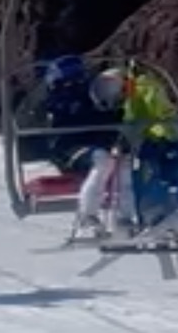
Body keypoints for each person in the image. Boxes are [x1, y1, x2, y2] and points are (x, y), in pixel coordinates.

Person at [101, 64, 178, 239]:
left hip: (169, 139)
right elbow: (131, 120)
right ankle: (151, 213)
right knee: (143, 170)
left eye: (111, 88)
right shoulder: (132, 98)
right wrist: (123, 140)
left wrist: (171, 127)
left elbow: (160, 107)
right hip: (155, 141)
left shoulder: (143, 86)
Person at [35, 55, 133, 235]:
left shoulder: (91, 95)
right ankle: (88, 216)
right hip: (68, 151)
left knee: (125, 164)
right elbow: (62, 124)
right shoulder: (58, 104)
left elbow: (106, 119)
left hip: (95, 147)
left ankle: (125, 218)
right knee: (102, 160)